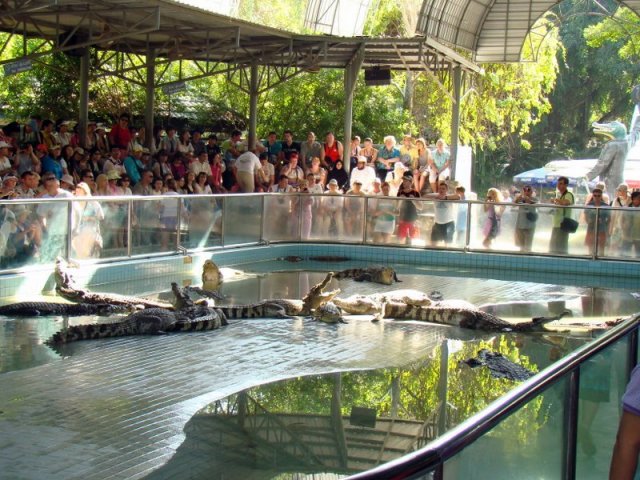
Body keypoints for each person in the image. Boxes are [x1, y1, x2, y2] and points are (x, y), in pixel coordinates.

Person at [71, 181, 104, 259]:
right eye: (77, 190)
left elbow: (101, 216)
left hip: (90, 229)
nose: (77, 192)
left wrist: (90, 218)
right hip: (77, 230)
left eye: (80, 190)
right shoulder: (74, 202)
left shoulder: (93, 203)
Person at [424, 181, 460, 246]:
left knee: (447, 245)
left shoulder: (449, 197)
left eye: (443, 189)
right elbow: (424, 196)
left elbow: (458, 197)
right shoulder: (436, 196)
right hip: (437, 224)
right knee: (433, 244)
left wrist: (445, 198)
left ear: (446, 190)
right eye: (440, 188)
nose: (441, 190)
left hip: (448, 224)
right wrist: (435, 196)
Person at [549, 176, 575, 254]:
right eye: (558, 184)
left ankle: (562, 259)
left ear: (566, 185)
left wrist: (556, 200)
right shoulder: (558, 195)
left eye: (561, 184)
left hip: (563, 224)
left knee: (561, 245)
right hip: (556, 223)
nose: (559, 186)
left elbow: (566, 202)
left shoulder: (569, 194)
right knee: (554, 244)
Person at [396, 173, 422, 245]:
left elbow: (421, 207)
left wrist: (413, 200)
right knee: (400, 242)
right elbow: (396, 208)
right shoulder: (400, 193)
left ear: (410, 182)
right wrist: (400, 201)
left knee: (414, 242)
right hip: (402, 220)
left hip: (413, 221)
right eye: (403, 181)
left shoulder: (415, 193)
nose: (404, 182)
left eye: (406, 181)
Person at [584, 187, 610, 256]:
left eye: (598, 195)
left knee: (601, 247)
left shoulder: (605, 206)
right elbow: (586, 216)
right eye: (595, 195)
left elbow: (609, 218)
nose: (597, 197)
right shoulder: (589, 205)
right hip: (591, 228)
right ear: (593, 195)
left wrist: (605, 224)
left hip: (602, 229)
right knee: (590, 246)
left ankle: (601, 259)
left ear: (601, 196)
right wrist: (589, 222)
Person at [514, 184, 539, 252]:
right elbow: (513, 204)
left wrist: (528, 200)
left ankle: (528, 255)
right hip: (520, 224)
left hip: (530, 225)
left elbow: (536, 204)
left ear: (532, 191)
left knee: (528, 246)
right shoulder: (520, 198)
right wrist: (519, 198)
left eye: (528, 190)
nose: (526, 192)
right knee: (521, 246)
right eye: (525, 190)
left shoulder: (535, 199)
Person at [621, 190, 640, 258]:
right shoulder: (628, 208)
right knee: (625, 253)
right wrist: (623, 228)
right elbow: (622, 219)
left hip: (638, 235)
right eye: (637, 198)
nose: (638, 200)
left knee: (638, 253)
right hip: (627, 235)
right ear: (633, 199)